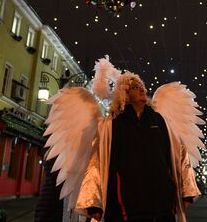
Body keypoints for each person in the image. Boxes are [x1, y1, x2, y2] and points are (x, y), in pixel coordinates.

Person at [77, 72, 200, 222]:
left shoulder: (160, 120)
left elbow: (178, 152)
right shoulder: (111, 125)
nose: (142, 89)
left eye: (142, 86)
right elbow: (96, 162)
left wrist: (187, 191)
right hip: (125, 208)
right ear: (125, 93)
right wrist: (93, 203)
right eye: (135, 87)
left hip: (162, 207)